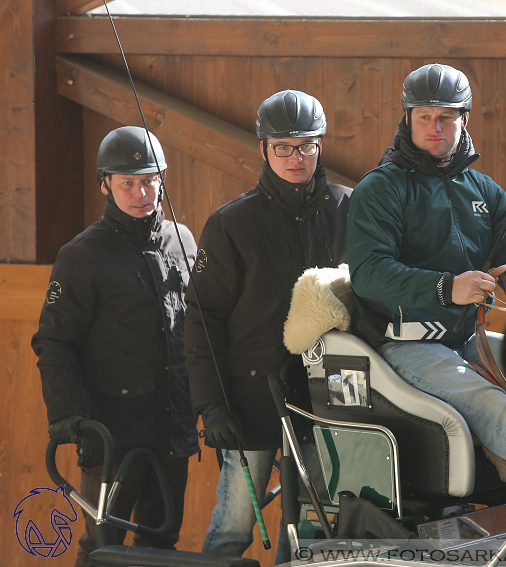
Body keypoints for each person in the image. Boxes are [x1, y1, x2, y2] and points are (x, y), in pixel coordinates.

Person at [347, 63, 506, 483]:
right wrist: (446, 288)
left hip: (471, 337)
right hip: (407, 347)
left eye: (445, 117)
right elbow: (368, 273)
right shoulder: (381, 188)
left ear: (464, 120)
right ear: (407, 119)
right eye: (424, 117)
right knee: (498, 411)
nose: (434, 127)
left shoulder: (484, 190)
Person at [185, 90, 352, 562]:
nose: (296, 158)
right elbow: (202, 319)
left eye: (307, 146)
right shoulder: (229, 224)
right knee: (233, 525)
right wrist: (211, 406)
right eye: (283, 147)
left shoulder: (350, 209)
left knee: (315, 528)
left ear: (321, 145)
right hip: (250, 402)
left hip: (331, 400)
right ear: (263, 149)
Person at [31, 127, 198, 567]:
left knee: (164, 545)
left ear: (163, 179)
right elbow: (54, 340)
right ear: (105, 184)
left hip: (172, 426)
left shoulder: (183, 241)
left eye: (149, 180)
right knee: (103, 549)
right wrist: (66, 414)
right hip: (111, 433)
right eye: (127, 183)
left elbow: (200, 330)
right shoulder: (81, 256)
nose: (140, 192)